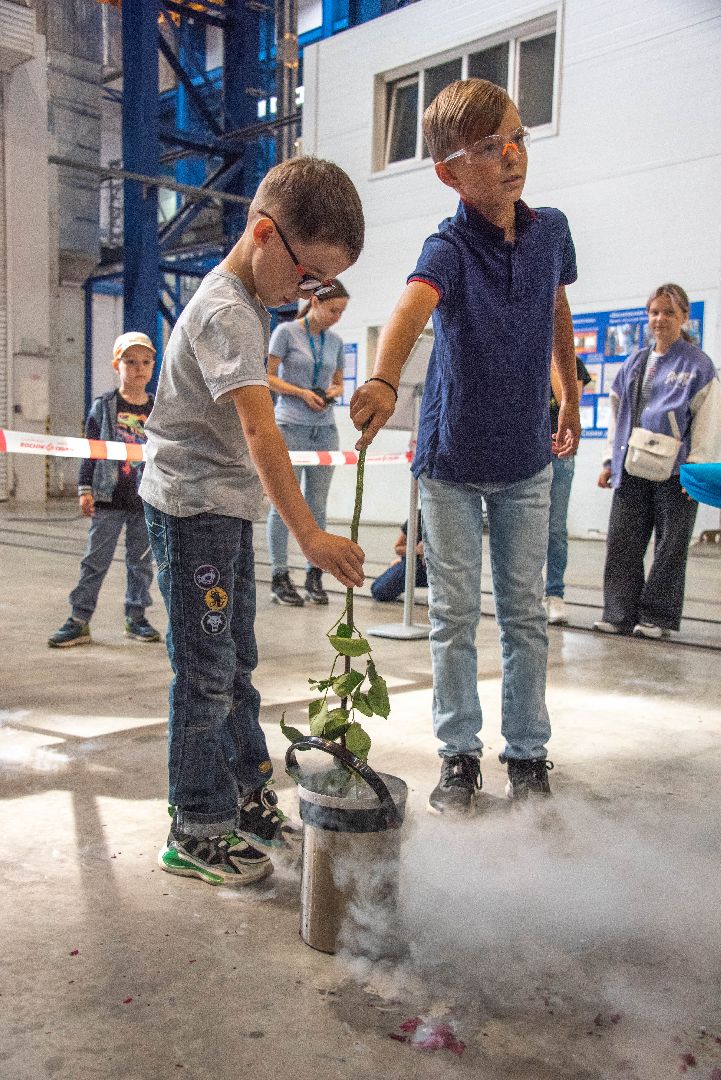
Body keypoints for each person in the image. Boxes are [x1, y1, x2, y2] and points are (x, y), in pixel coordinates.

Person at [350, 78, 580, 812]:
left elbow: (555, 311)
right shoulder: (446, 245)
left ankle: (527, 754)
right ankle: (458, 754)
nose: (509, 155)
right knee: (453, 616)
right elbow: (411, 304)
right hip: (449, 462)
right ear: (448, 171)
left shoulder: (550, 232)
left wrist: (569, 395)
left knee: (522, 615)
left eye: (515, 137)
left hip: (523, 461)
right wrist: (384, 381)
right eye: (486, 147)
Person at [139, 157, 365, 887]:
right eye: (308, 279)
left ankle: (243, 795)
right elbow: (265, 434)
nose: (310, 295)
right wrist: (309, 537)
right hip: (192, 510)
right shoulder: (227, 310)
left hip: (224, 508)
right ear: (263, 234)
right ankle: (195, 828)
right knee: (204, 675)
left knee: (234, 666)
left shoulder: (254, 301)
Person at [594, 283, 720, 639]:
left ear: (683, 317)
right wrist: (608, 461)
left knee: (670, 546)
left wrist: (694, 471)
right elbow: (616, 415)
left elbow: (708, 422)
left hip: (676, 471)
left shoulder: (698, 365)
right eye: (654, 312)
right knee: (622, 542)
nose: (660, 319)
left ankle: (656, 618)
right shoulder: (634, 362)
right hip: (631, 464)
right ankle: (618, 614)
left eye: (668, 312)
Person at [48, 332, 160, 648]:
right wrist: (85, 489)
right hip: (109, 497)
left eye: (146, 362)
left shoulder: (157, 408)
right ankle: (79, 619)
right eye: (130, 362)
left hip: (146, 499)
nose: (139, 368)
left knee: (141, 563)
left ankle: (136, 617)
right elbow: (91, 452)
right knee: (95, 561)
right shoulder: (104, 406)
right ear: (116, 365)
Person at [266, 280, 349, 607]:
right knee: (285, 502)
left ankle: (314, 574)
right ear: (314, 302)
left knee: (317, 504)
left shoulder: (336, 341)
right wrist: (301, 393)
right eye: (333, 310)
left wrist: (332, 392)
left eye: (342, 312)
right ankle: (279, 575)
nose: (337, 317)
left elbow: (340, 382)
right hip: (291, 426)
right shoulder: (285, 333)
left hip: (324, 429)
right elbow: (268, 376)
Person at [544, 356, 592, 625]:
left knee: (555, 528)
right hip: (526, 449)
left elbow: (567, 401)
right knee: (523, 529)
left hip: (558, 452)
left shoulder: (570, 362)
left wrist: (553, 358)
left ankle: (554, 593)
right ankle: (527, 594)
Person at [370, 513, 428, 602]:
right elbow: (398, 548)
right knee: (379, 590)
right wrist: (416, 550)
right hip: (418, 566)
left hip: (444, 570)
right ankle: (401, 565)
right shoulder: (418, 516)